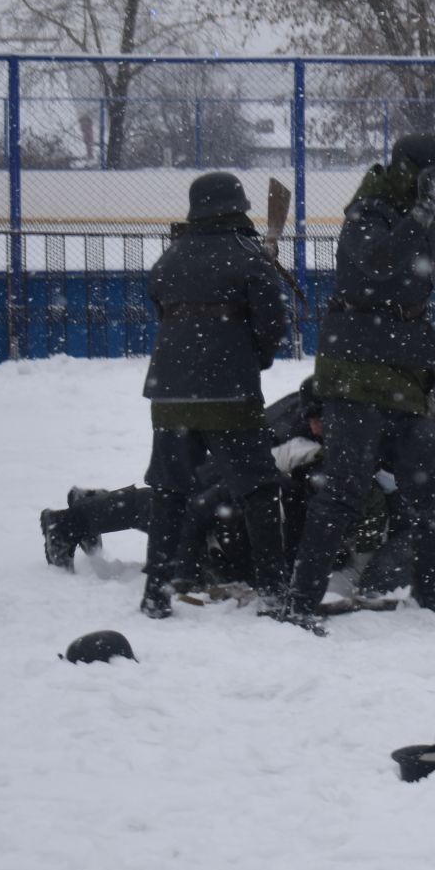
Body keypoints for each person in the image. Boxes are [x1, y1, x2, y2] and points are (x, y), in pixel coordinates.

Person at [44, 365, 435, 599]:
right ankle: (74, 519)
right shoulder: (303, 428)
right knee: (185, 510)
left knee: (193, 511)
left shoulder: (384, 414)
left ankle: (89, 509)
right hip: (245, 483)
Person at [279, 133, 435, 624]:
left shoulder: (419, 217)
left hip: (406, 374)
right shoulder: (369, 212)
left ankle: (428, 593)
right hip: (355, 371)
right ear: (413, 175)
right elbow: (372, 266)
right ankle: (300, 604)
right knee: (345, 491)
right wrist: (419, 215)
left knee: (432, 487)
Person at [138, 171, 294, 618]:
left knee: (169, 491)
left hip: (169, 396)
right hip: (230, 394)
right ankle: (272, 589)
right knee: (259, 490)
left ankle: (155, 593)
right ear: (239, 207)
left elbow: (162, 309)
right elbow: (272, 325)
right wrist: (251, 359)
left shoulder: (168, 260)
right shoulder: (250, 257)